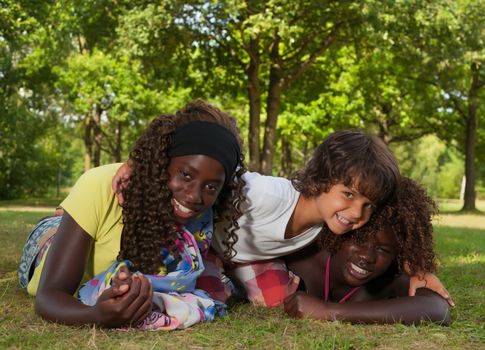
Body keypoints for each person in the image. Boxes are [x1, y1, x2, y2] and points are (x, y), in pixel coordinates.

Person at [114, 130, 452, 307]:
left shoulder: (328, 226)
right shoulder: (263, 193)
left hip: (241, 258)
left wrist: (421, 268)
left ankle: (225, 279)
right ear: (321, 177)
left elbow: (398, 231)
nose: (356, 214)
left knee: (275, 299)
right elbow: (210, 169)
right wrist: (140, 164)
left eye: (368, 205)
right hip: (200, 241)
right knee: (186, 288)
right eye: (349, 195)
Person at [18, 100, 247, 329]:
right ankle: (65, 213)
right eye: (186, 175)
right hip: (46, 243)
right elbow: (48, 296)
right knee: (61, 224)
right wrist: (96, 316)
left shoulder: (207, 210)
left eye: (210, 187)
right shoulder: (100, 184)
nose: (195, 196)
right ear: (162, 161)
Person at [282, 177, 451, 325]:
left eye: (383, 249)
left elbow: (437, 309)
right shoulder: (303, 255)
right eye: (359, 240)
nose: (367, 256)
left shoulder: (388, 278)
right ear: (339, 232)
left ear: (399, 252)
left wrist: (329, 311)